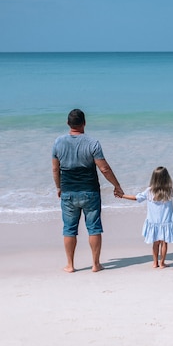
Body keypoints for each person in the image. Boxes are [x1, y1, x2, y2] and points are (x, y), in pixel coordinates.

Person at [52, 109, 124, 273]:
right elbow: (104, 168)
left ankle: (70, 265)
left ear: (68, 123)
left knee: (69, 229)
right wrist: (117, 185)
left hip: (68, 192)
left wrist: (58, 187)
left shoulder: (58, 142)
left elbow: (55, 170)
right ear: (84, 123)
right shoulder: (92, 143)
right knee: (94, 228)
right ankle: (95, 264)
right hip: (90, 191)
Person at [121, 166, 173, 268]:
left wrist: (122, 195)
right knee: (164, 243)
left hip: (153, 222)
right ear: (167, 178)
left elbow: (136, 198)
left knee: (155, 243)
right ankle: (162, 263)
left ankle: (155, 263)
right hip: (166, 221)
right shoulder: (169, 191)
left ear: (153, 178)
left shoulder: (149, 191)